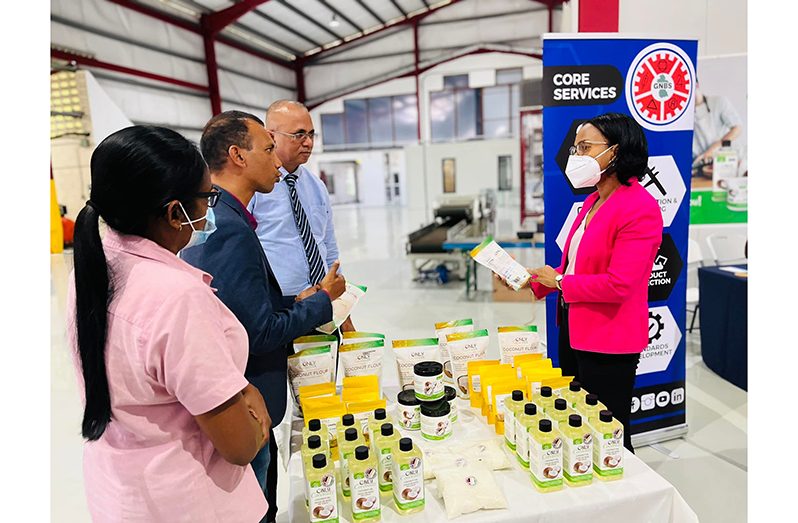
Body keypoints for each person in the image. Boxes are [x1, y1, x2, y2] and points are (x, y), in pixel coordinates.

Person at [68, 125, 270, 521]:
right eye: (207, 198)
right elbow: (240, 446)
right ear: (176, 212)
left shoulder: (96, 269)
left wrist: (239, 387)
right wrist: (253, 406)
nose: (209, 210)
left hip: (124, 495)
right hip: (191, 501)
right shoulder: (175, 296)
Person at [181, 111, 346, 523]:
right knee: (258, 508)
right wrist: (321, 302)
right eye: (269, 148)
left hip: (261, 376)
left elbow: (242, 306)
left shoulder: (225, 215)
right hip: (246, 400)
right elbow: (256, 333)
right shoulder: (227, 229)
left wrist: (295, 299)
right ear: (238, 155)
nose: (276, 161)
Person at [524, 113, 662, 452]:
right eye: (575, 148)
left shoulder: (639, 208)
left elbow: (620, 284)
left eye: (585, 148)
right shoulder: (593, 200)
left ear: (616, 151)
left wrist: (558, 281)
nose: (576, 157)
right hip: (574, 329)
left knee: (608, 430)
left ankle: (626, 495)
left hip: (609, 338)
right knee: (579, 421)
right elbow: (574, 264)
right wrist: (530, 280)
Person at [248, 100, 356, 335]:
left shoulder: (315, 185)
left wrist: (342, 309)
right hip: (281, 310)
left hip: (322, 301)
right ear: (271, 135)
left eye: (311, 134)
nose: (308, 142)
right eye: (298, 135)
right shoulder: (255, 188)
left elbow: (328, 247)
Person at [692, 81, 742, 168]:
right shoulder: (682, 116)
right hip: (700, 165)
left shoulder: (719, 102)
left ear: (697, 85)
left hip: (725, 160)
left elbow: (737, 128)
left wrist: (713, 149)